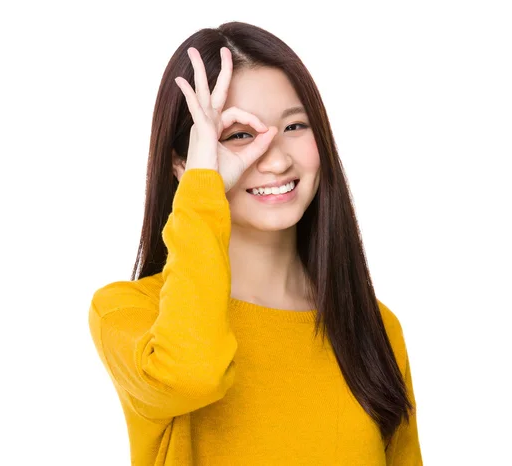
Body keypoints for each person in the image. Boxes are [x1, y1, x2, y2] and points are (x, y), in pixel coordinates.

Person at [88, 21, 422, 465]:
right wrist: (204, 185)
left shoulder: (373, 326)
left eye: (296, 126)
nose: (278, 159)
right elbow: (191, 374)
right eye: (239, 135)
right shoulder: (132, 315)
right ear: (182, 163)